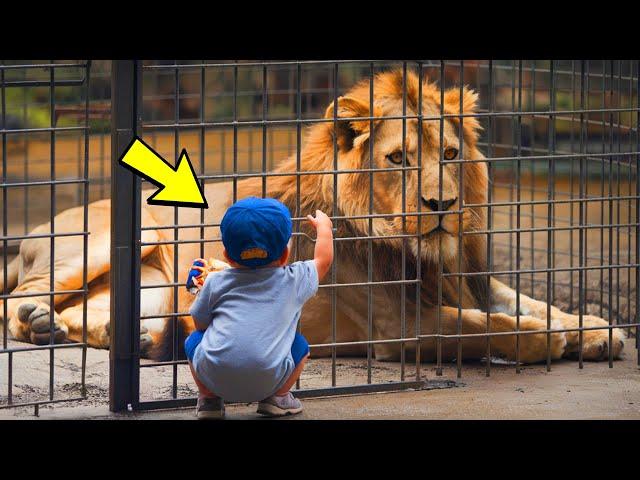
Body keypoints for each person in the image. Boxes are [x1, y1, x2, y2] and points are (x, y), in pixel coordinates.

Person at [184, 197, 334, 419]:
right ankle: (278, 398)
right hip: (269, 380)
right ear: (285, 254)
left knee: (193, 340)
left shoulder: (216, 282)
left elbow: (200, 323)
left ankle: (209, 401)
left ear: (226, 255)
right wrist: (324, 228)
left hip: (215, 377)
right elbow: (323, 261)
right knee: (299, 345)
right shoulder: (294, 280)